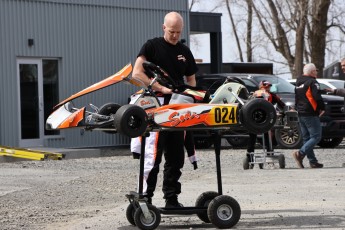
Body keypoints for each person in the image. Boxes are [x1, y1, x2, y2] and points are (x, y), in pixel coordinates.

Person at [131, 11, 198, 208]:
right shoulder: (151, 46)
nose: (175, 36)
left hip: (178, 107)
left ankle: (171, 199)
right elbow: (136, 73)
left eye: (178, 32)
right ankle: (146, 198)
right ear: (163, 28)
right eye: (171, 32)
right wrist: (160, 87)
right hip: (155, 105)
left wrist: (191, 96)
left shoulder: (185, 51)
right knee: (152, 155)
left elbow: (192, 80)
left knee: (176, 156)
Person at [292, 63, 325, 169]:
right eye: (316, 70)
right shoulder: (313, 82)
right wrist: (322, 108)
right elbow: (317, 97)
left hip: (301, 112)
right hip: (310, 112)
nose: (316, 72)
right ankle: (300, 154)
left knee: (307, 138)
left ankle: (313, 162)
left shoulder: (298, 82)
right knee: (316, 136)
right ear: (312, 72)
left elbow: (297, 97)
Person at [246, 80, 286, 165]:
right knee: (267, 138)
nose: (268, 88)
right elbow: (282, 105)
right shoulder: (271, 95)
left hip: (253, 120)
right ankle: (269, 156)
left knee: (252, 138)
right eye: (267, 86)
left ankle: (249, 157)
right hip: (266, 120)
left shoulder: (253, 94)